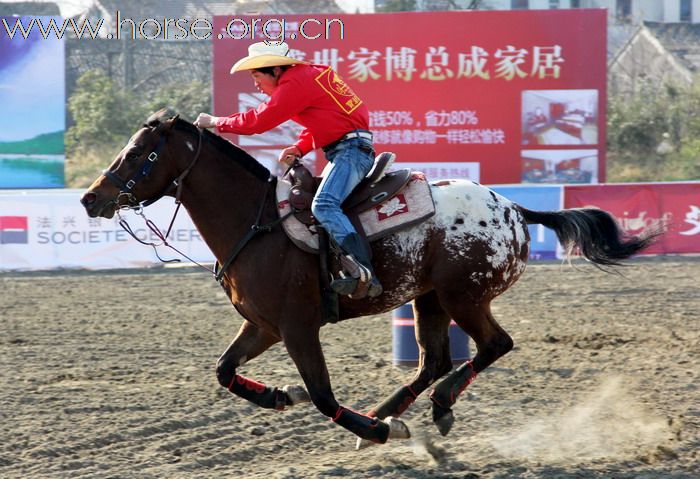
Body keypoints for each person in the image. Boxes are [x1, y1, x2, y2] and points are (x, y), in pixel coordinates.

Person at [194, 41, 382, 298]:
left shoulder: (295, 82)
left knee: (324, 205)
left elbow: (258, 121)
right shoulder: (309, 76)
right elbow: (328, 120)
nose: (255, 84)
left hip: (350, 152)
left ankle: (363, 272)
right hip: (349, 149)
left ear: (274, 70)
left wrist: (216, 122)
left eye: (256, 75)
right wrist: (300, 147)